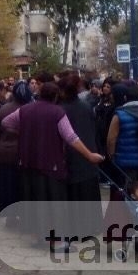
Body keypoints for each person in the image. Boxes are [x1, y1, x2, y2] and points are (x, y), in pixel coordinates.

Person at [1, 82, 104, 249]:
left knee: (32, 200)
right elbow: (71, 137)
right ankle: (56, 242)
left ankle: (37, 237)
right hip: (51, 164)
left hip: (27, 162)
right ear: (56, 96)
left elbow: (6, 122)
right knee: (53, 203)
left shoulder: (25, 110)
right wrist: (89, 155)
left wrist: (24, 131)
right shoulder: (57, 112)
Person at [57, 75, 103, 239]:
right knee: (88, 191)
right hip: (89, 152)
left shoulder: (60, 109)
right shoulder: (86, 106)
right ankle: (91, 227)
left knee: (73, 193)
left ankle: (74, 229)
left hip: (70, 155)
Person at [0, 80, 33, 211]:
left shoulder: (4, 109)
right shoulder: (32, 109)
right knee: (24, 187)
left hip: (6, 153)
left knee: (7, 187)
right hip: (26, 154)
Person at [107, 84, 138, 183]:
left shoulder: (119, 114)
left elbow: (111, 138)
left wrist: (111, 155)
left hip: (123, 159)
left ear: (125, 97)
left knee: (126, 188)